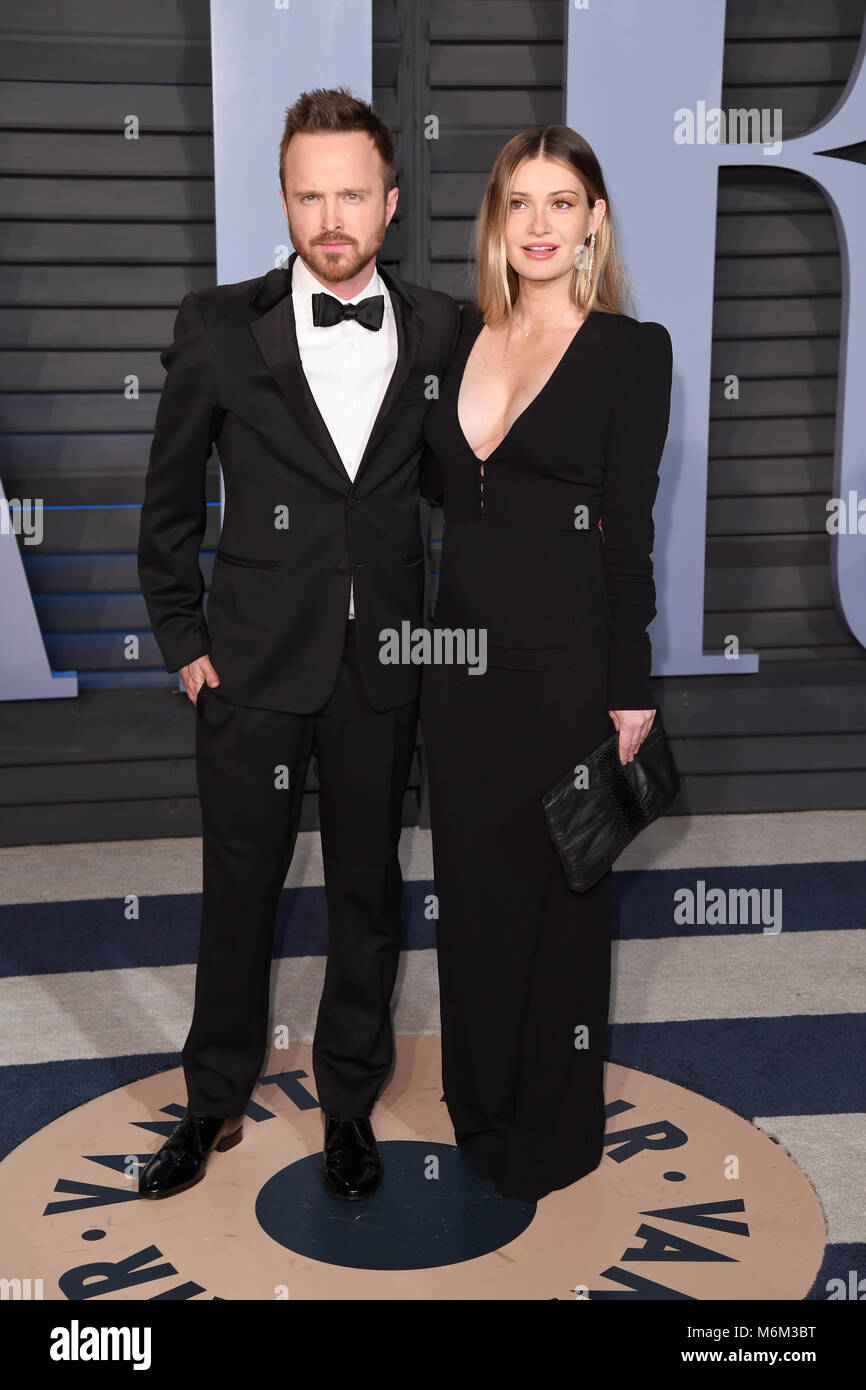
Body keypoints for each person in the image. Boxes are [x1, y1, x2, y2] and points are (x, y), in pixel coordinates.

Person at [136, 88, 459, 1201]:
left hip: (382, 671)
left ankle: (349, 1101)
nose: (330, 217)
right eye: (309, 194)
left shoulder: (439, 329)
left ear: (390, 201)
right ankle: (213, 1095)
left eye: (351, 194)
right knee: (238, 888)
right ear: (283, 198)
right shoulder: (218, 326)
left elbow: (461, 490)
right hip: (251, 668)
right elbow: (168, 504)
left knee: (368, 892)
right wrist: (184, 640)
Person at [419, 124, 673, 1203]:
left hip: (568, 665)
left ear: (593, 220)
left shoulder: (629, 351)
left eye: (560, 202)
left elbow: (627, 530)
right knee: (471, 890)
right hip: (457, 664)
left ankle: (550, 1130)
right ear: (494, 220)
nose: (536, 224)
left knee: (560, 888)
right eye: (517, 202)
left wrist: (631, 685)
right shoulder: (448, 342)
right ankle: (478, 1106)